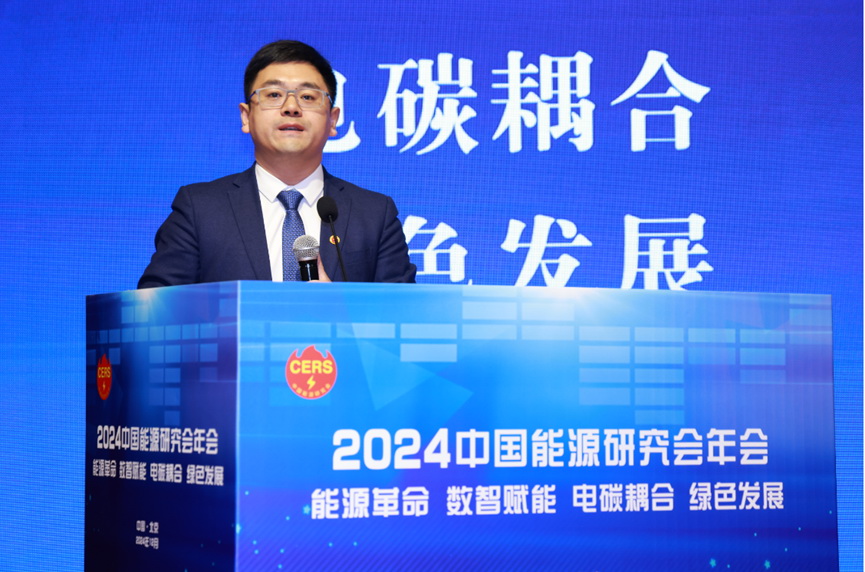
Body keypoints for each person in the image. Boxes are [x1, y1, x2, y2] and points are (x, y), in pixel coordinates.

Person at [138, 40, 416, 288]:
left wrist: (340, 308)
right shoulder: (200, 208)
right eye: (273, 95)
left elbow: (403, 314)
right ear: (246, 117)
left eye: (308, 97)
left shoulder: (374, 214)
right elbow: (155, 307)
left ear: (332, 120)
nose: (291, 107)